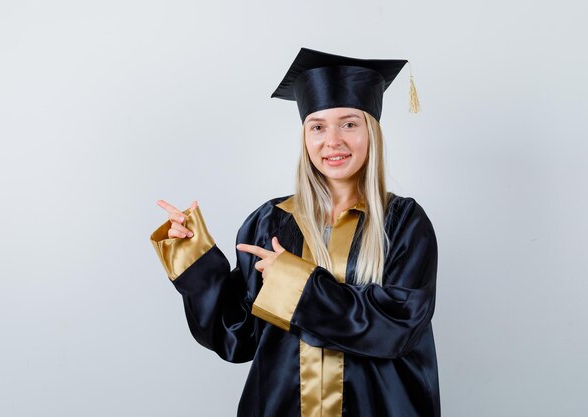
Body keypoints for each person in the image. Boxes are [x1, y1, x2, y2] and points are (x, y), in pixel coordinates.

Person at [150, 47, 440, 417]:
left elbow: (396, 329)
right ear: (305, 136)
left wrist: (292, 282)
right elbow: (236, 338)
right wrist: (193, 258)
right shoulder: (271, 221)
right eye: (317, 126)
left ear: (372, 132)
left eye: (349, 123)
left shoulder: (403, 223)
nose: (332, 141)